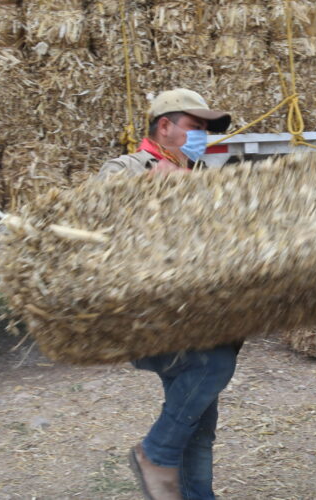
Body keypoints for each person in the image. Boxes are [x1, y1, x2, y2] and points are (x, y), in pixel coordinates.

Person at [98, 88, 237, 500]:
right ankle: (154, 454)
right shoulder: (131, 166)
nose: (202, 137)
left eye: (206, 131)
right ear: (165, 125)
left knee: (199, 423)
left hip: (196, 316)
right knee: (212, 368)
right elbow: (92, 206)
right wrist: (148, 184)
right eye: (195, 127)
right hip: (152, 317)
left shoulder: (200, 174)